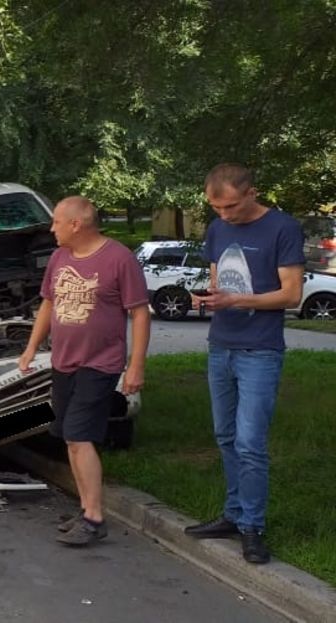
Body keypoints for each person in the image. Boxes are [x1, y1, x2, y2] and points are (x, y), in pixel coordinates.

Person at [185, 164, 304, 565]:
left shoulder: (283, 228)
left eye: (231, 206)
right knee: (224, 436)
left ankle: (253, 526)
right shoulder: (218, 229)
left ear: (252, 193)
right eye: (215, 207)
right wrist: (211, 298)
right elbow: (221, 281)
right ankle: (233, 515)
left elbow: (291, 295)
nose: (224, 214)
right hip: (221, 345)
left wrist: (237, 301)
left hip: (260, 350)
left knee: (250, 443)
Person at [18, 196, 150, 547]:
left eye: (57, 222)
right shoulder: (60, 258)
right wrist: (31, 347)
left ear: (76, 224)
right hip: (65, 361)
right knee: (69, 438)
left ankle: (94, 518)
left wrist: (136, 365)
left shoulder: (119, 259)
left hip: (100, 363)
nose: (51, 228)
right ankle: (85, 507)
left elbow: (139, 313)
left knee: (79, 436)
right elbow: (49, 303)